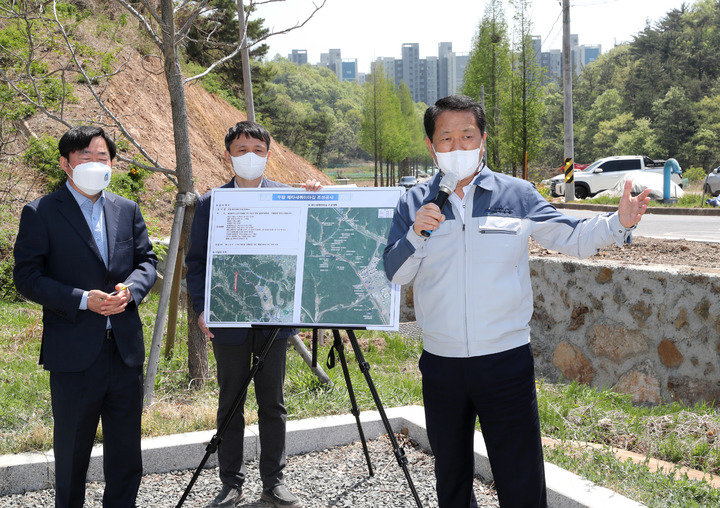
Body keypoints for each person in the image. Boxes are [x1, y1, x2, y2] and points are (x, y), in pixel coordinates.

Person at [383, 95, 651, 508]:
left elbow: (573, 238)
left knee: (520, 476)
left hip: (505, 360)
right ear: (431, 146)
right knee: (450, 478)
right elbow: (395, 273)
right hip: (441, 364)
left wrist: (620, 223)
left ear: (483, 139)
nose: (458, 147)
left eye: (467, 136)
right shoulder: (414, 202)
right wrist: (416, 234)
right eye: (447, 139)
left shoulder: (517, 194)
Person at [13, 126, 158, 508]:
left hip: (124, 350)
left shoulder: (126, 209)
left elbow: (147, 261)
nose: (96, 164)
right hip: (74, 353)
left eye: (103, 157)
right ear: (65, 164)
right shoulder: (41, 212)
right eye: (86, 157)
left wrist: (132, 289)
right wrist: (81, 300)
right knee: (73, 453)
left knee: (127, 455)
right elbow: (27, 277)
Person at [186, 120, 320, 508]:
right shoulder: (213, 202)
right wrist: (201, 307)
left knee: (272, 403)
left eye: (257, 150)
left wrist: (312, 196)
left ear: (268, 154)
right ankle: (230, 481)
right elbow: (196, 262)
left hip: (274, 319)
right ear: (228, 155)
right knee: (230, 401)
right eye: (241, 150)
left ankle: (273, 481)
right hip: (228, 318)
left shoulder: (287, 196)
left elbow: (310, 241)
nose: (249, 157)